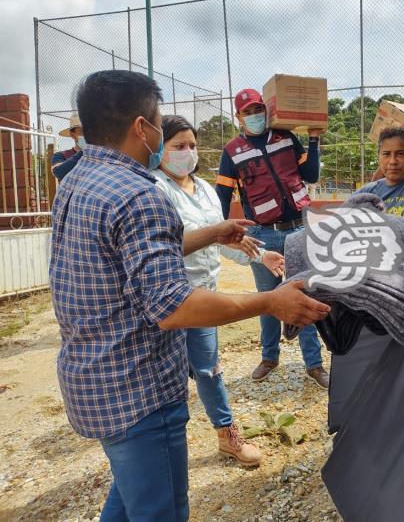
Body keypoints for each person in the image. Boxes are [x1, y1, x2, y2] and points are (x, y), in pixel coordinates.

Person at [50, 70, 330, 521]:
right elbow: (174, 306)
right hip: (137, 388)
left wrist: (212, 233)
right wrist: (268, 302)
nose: (168, 139)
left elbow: (127, 255)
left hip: (93, 379)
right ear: (143, 128)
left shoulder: (79, 181)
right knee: (160, 510)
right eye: (161, 124)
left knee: (130, 497)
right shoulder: (139, 193)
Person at [153, 115, 286, 467]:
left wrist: (261, 254)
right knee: (166, 375)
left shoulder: (207, 191)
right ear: (160, 149)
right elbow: (160, 245)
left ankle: (227, 435)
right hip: (166, 294)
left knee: (208, 367)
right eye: (179, 146)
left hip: (204, 295)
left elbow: (223, 239)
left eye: (193, 146)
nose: (188, 153)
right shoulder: (154, 189)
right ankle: (164, 446)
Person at [215, 88, 329, 388]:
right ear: (238, 117)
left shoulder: (286, 137)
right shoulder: (232, 152)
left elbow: (312, 175)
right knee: (266, 301)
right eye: (247, 112)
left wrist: (314, 139)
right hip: (262, 235)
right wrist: (221, 231)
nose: (254, 116)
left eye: (257, 109)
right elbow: (222, 197)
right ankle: (269, 357)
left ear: (265, 109)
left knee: (303, 297)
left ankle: (314, 364)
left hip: (298, 230)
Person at [51, 113, 84, 180]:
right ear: (72, 135)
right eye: (82, 132)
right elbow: (60, 172)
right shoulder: (61, 156)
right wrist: (85, 151)